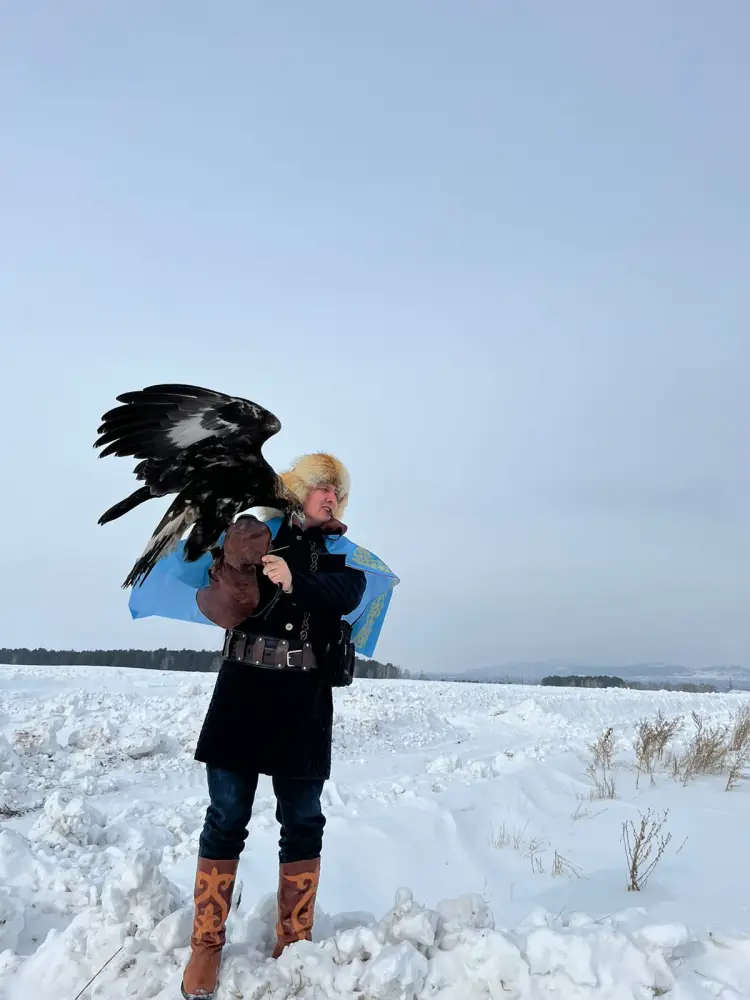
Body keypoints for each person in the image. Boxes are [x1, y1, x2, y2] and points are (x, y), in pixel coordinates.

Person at [180, 453, 369, 1000]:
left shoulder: (346, 560)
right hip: (242, 690)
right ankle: (206, 944)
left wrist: (295, 580)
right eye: (321, 487)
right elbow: (222, 608)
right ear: (299, 491)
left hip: (302, 701)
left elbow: (346, 597)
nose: (330, 496)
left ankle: (295, 939)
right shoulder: (255, 533)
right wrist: (238, 564)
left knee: (304, 820)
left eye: (338, 491)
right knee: (225, 816)